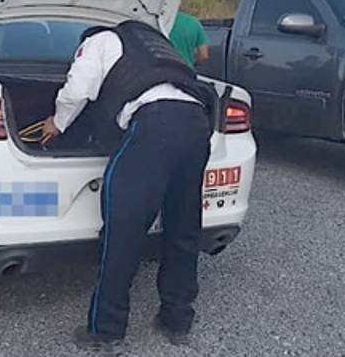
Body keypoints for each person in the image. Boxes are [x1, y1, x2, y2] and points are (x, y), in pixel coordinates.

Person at [40, 19, 215, 353]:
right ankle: (177, 320)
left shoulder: (98, 41)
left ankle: (106, 330)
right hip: (197, 123)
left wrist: (58, 123)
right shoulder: (155, 45)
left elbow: (78, 90)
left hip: (153, 124)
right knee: (183, 227)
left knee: (123, 231)